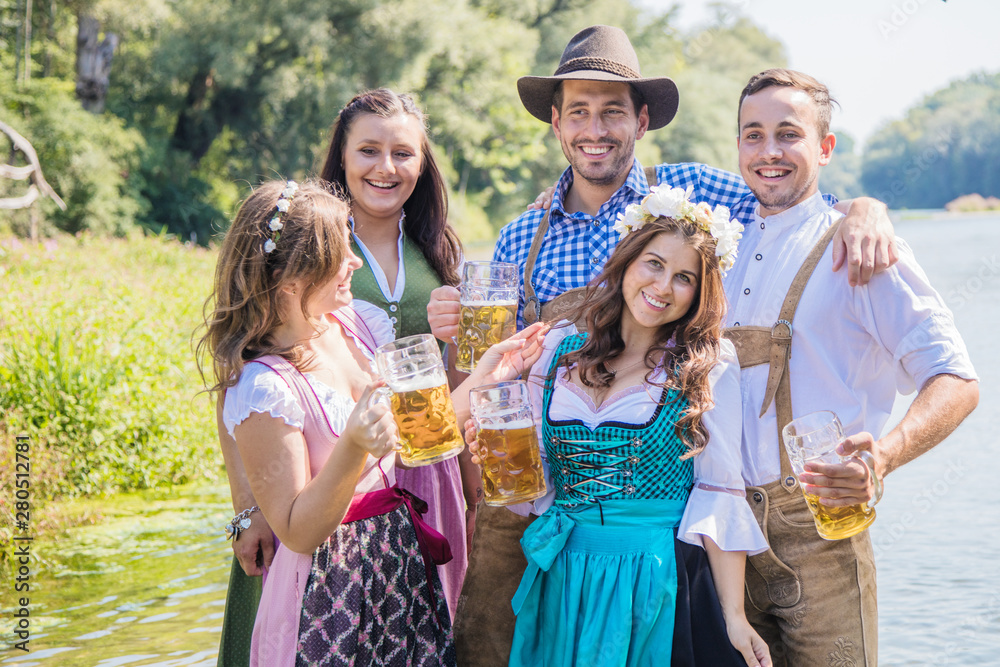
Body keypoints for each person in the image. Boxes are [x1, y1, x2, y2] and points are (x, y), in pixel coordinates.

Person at [426, 24, 897, 666]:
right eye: (579, 113)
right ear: (557, 126)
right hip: (536, 503)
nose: (595, 129)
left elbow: (800, 202)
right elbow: (502, 375)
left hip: (654, 520)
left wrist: (867, 210)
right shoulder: (519, 236)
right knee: (494, 646)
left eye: (613, 111)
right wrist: (451, 329)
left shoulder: (697, 194)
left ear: (642, 120)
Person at [198, 179, 546, 666]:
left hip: (395, 561)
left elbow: (420, 431)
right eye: (341, 254)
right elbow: (298, 531)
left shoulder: (355, 324)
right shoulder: (263, 387)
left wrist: (488, 373)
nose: (356, 263)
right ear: (292, 279)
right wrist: (353, 447)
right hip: (328, 587)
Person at [723, 69, 979, 666]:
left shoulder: (860, 247)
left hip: (824, 531)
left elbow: (957, 379)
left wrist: (883, 457)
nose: (768, 152)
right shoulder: (716, 246)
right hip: (723, 535)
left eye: (788, 134)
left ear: (825, 148)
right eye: (752, 134)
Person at [465, 194, 773, 666]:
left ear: (699, 292)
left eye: (684, 277)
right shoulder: (555, 354)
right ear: (627, 262)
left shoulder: (703, 370)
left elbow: (720, 492)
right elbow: (533, 486)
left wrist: (733, 615)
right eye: (653, 264)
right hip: (565, 574)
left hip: (655, 578)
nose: (663, 286)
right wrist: (494, 457)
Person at [317, 88, 473, 621]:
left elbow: (454, 388)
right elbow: (242, 370)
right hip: (331, 484)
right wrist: (250, 508)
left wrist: (458, 343)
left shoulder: (439, 248)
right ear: (341, 154)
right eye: (368, 150)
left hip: (430, 481)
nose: (386, 168)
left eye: (403, 153)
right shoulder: (309, 241)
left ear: (423, 163)